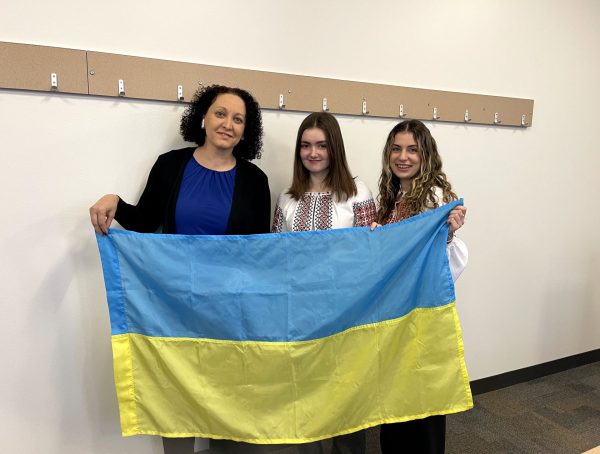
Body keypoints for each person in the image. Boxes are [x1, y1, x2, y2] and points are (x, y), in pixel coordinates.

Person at [89, 84, 271, 454]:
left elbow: (258, 253)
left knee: (228, 404)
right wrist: (116, 202)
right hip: (174, 307)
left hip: (229, 310)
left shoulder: (256, 181)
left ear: (245, 131)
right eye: (221, 113)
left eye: (238, 119)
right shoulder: (171, 164)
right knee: (175, 400)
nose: (228, 124)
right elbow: (145, 220)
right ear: (203, 117)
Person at [272, 112, 376, 454]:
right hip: (300, 313)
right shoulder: (287, 198)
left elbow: (370, 254)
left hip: (347, 312)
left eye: (321, 145)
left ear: (335, 148)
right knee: (306, 396)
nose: (312, 152)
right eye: (305, 145)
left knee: (346, 395)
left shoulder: (357, 192)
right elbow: (276, 256)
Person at [371, 119, 467, 454]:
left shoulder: (435, 199)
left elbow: (447, 263)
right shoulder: (394, 196)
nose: (403, 156)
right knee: (396, 403)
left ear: (425, 155)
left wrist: (449, 234)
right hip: (395, 317)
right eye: (396, 148)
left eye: (412, 149)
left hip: (420, 319)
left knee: (422, 406)